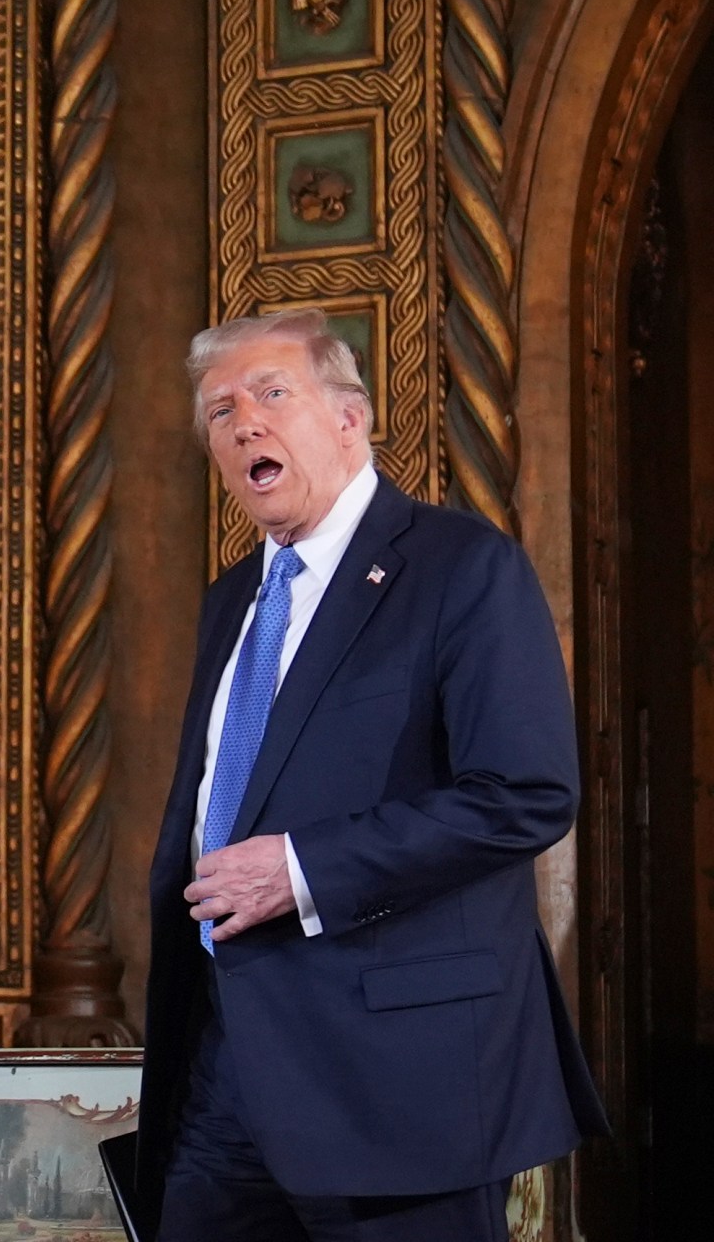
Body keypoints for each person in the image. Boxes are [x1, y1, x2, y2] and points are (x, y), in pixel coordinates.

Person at [134, 309, 606, 1241]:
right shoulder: (231, 602)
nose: (244, 424)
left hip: (399, 1083)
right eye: (220, 411)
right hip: (226, 1073)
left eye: (273, 393)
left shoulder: (461, 567)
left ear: (350, 419)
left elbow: (526, 791)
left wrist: (302, 871)